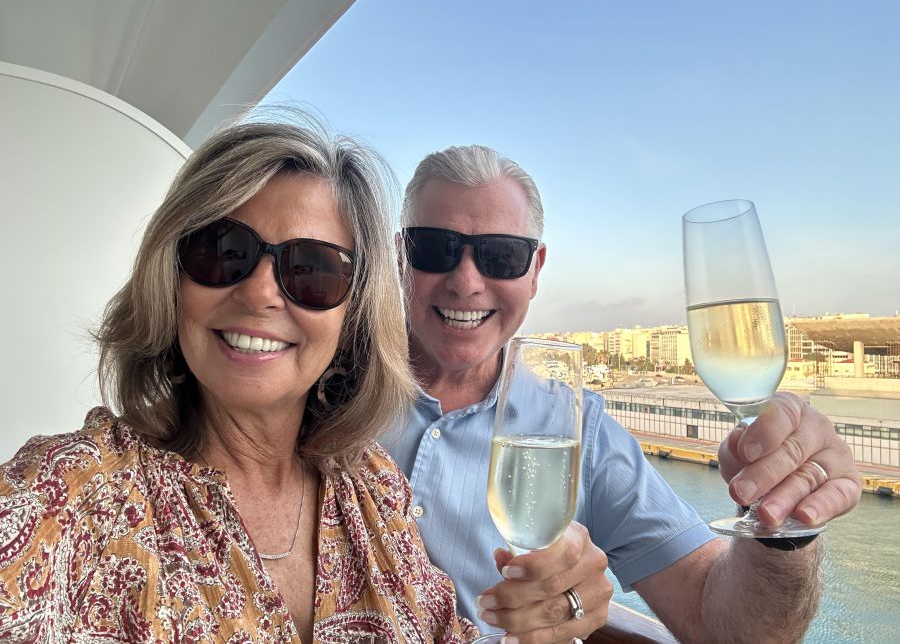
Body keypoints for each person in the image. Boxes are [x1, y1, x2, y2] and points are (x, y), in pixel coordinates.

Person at [0, 116, 478, 643]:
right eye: (222, 251)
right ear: (172, 279)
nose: (259, 294)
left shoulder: (374, 489)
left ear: (354, 317)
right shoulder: (71, 494)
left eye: (313, 269)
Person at [385, 144, 862, 643]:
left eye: (501, 255)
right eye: (435, 248)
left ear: (535, 271)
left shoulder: (578, 430)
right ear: (400, 257)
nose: (466, 282)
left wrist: (784, 524)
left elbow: (731, 627)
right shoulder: (321, 388)